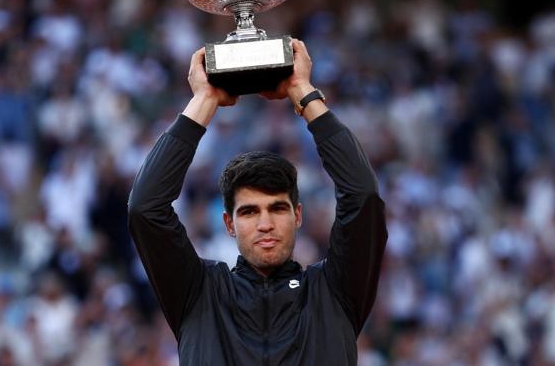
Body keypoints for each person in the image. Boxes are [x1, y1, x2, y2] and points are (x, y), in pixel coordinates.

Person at [128, 39, 388, 365]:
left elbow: (362, 196)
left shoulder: (334, 292)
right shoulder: (199, 294)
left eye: (277, 208)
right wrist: (204, 100)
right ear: (228, 224)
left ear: (298, 216)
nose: (265, 223)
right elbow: (145, 207)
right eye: (249, 211)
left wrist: (302, 91)